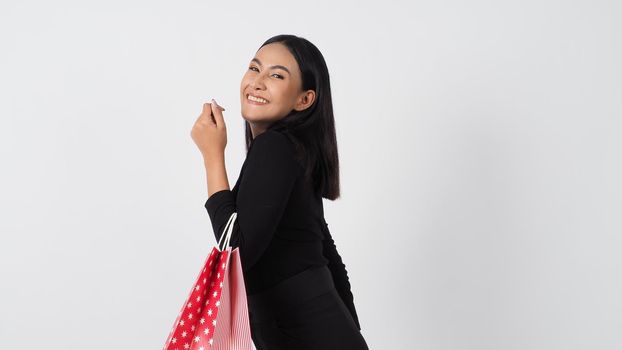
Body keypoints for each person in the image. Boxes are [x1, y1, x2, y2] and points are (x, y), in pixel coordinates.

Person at [191, 34, 369, 350]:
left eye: (276, 75)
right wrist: (351, 334)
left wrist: (212, 155)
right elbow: (326, 252)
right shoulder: (291, 152)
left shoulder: (275, 148)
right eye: (254, 68)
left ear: (304, 99)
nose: (257, 82)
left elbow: (235, 250)